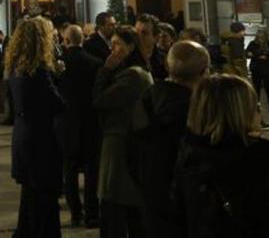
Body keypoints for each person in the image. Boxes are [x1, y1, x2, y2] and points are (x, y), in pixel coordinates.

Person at [172, 74, 269, 237]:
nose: (259, 113)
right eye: (255, 107)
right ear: (243, 113)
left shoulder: (188, 158)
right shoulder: (262, 168)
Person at [137, 40, 210, 237]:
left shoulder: (147, 100)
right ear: (204, 72)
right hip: (186, 208)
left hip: (151, 201)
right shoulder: (196, 112)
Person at [6, 17, 67, 238]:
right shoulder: (38, 71)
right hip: (40, 143)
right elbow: (57, 103)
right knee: (44, 204)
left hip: (24, 138)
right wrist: (60, 77)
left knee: (30, 201)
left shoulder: (17, 67)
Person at [93, 26, 153, 237]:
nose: (113, 49)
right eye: (112, 44)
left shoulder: (133, 75)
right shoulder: (129, 73)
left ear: (131, 47)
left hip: (121, 141)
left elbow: (100, 100)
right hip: (121, 139)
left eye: (118, 44)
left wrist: (105, 71)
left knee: (117, 201)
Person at [57, 24, 101, 229]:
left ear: (66, 40)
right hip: (90, 122)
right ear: (82, 39)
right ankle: (92, 213)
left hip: (66, 123)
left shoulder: (60, 64)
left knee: (69, 170)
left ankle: (75, 212)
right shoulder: (95, 63)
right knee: (92, 171)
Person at [246, 27, 269, 113]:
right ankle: (257, 107)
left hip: (267, 69)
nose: (260, 37)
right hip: (257, 69)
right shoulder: (253, 44)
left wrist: (265, 58)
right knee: (256, 89)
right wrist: (255, 56)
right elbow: (247, 53)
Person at [135, 13, 168, 82]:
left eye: (144, 33)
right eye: (136, 32)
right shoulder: (127, 57)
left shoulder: (165, 60)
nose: (139, 36)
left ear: (156, 38)